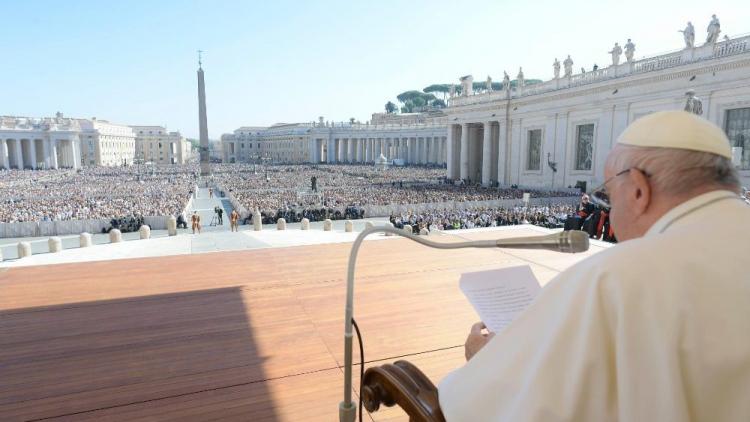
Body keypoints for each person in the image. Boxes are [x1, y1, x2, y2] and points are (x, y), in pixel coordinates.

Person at [439, 111, 750, 421]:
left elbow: (488, 405)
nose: (610, 215)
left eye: (610, 199)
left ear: (639, 190)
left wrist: (486, 360)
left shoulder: (616, 276)